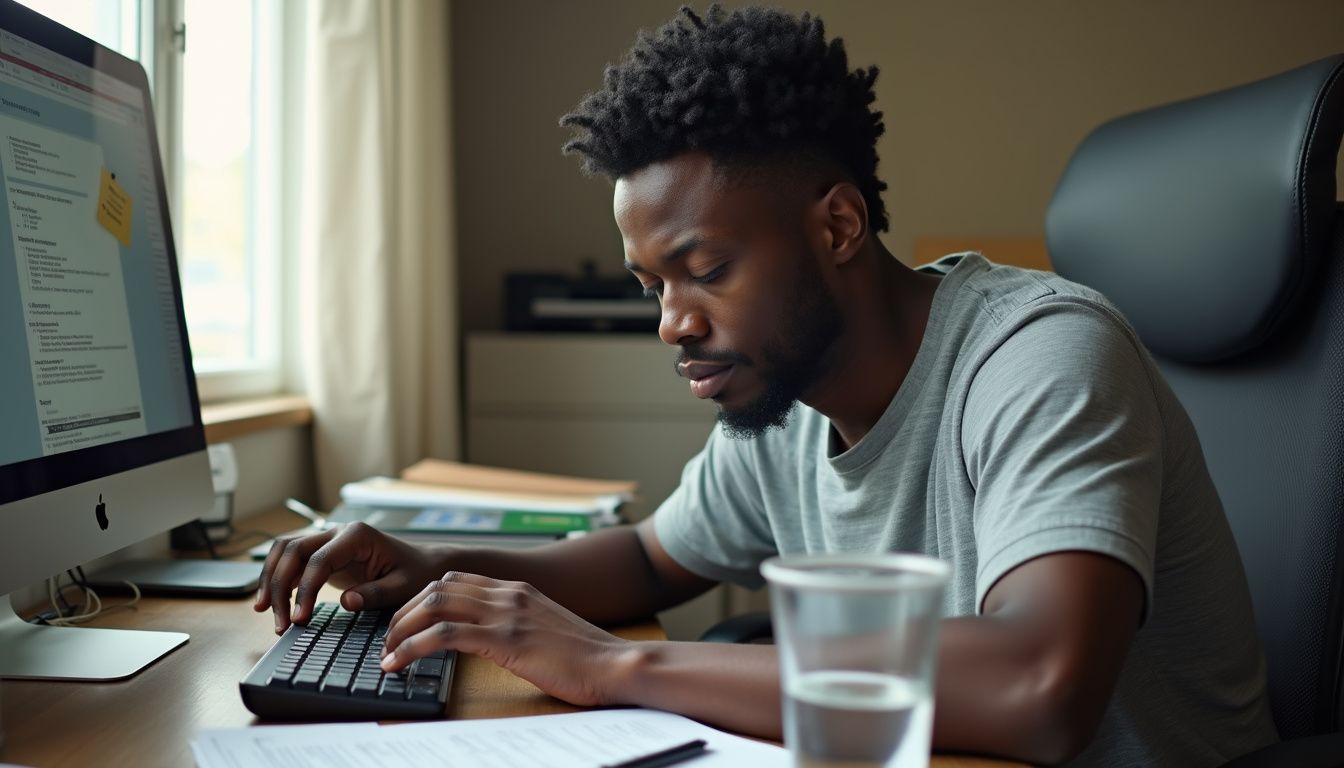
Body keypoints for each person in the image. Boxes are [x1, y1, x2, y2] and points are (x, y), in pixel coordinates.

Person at [256, 5, 1277, 765]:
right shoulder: (783, 399)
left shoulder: (1041, 355)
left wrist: (613, 668)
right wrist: (430, 566)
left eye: (706, 271)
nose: (674, 324)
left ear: (837, 228)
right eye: (653, 285)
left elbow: (1040, 684)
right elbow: (654, 562)